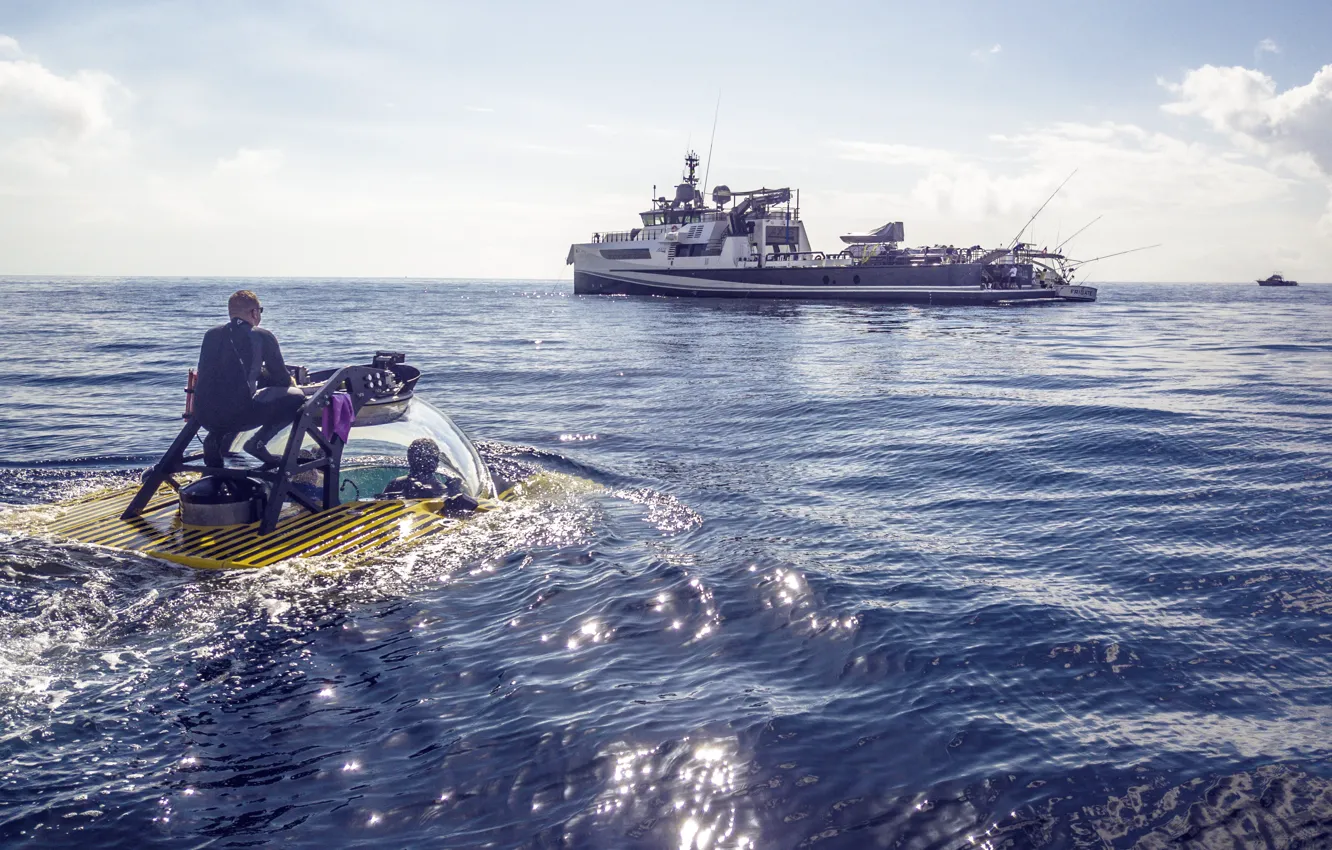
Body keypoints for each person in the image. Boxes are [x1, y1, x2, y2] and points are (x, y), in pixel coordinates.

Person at [193, 290, 306, 468]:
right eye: (260, 310)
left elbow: (222, 373)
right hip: (238, 416)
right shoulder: (262, 335)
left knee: (228, 400)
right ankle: (258, 443)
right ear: (254, 312)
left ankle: (213, 442)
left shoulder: (211, 335)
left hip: (203, 416)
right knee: (297, 397)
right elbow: (282, 379)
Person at [381, 438, 478, 512]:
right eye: (426, 457)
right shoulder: (398, 484)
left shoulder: (396, 483)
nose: (433, 461)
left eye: (432, 457)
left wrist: (454, 491)